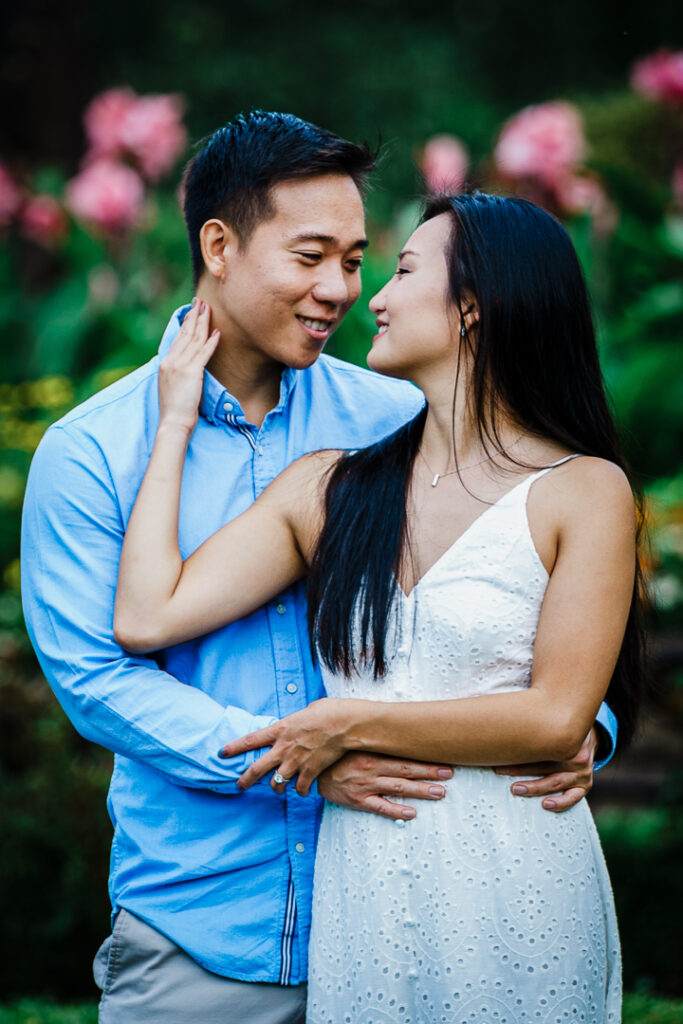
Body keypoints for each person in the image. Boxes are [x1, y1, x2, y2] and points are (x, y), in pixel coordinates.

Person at [21, 112, 615, 1024]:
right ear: (218, 246)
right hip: (207, 917)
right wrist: (304, 757)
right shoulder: (93, 450)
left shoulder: (398, 416)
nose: (342, 290)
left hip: (420, 895)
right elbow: (98, 675)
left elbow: (514, 581)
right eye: (310, 257)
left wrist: (576, 726)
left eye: (356, 259)